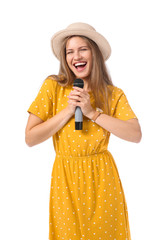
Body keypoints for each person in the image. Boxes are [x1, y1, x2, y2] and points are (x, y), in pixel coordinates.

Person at [25, 22, 142, 240]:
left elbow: (135, 134)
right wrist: (69, 111)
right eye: (70, 51)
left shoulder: (112, 94)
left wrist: (92, 113)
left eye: (82, 49)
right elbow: (30, 137)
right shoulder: (53, 87)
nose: (76, 56)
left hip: (102, 178)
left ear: (94, 53)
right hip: (65, 177)